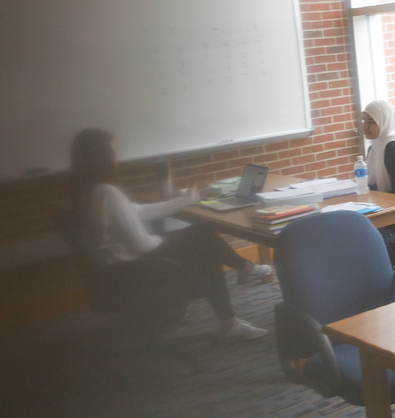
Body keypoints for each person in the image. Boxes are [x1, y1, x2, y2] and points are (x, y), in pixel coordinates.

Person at [70, 128, 273, 340]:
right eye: (112, 153)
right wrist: (172, 239)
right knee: (202, 236)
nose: (117, 157)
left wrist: (186, 200)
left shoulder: (89, 192)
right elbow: (142, 245)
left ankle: (240, 288)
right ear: (99, 158)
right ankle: (243, 279)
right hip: (135, 269)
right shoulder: (107, 194)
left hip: (119, 270)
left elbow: (139, 211)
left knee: (203, 242)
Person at [362, 100, 395, 197]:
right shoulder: (373, 148)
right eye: (363, 120)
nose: (364, 126)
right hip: (384, 201)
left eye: (371, 122)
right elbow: (372, 185)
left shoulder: (393, 147)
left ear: (384, 121)